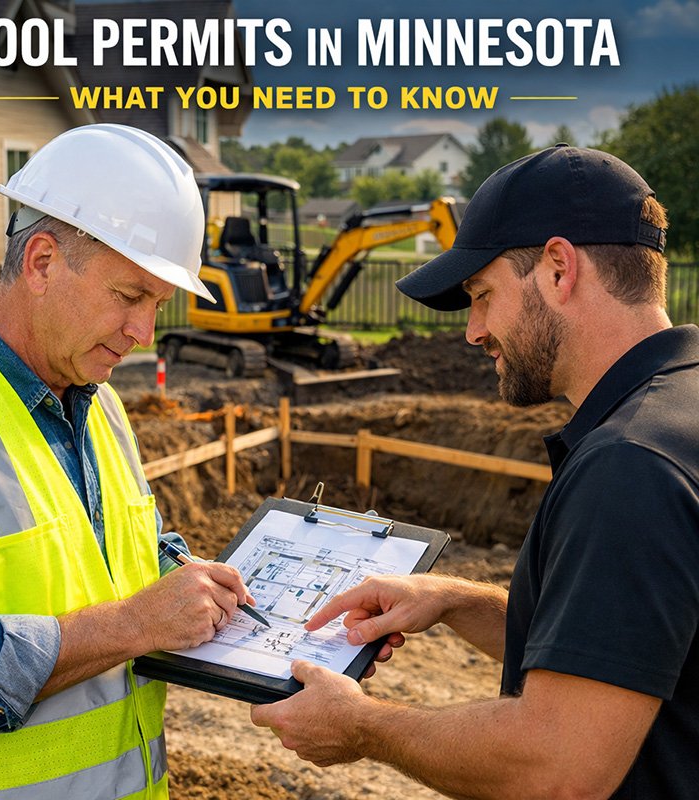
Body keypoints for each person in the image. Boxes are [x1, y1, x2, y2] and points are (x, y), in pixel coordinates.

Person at [251, 144, 699, 799]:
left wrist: (363, 727)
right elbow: (627, 638)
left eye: (483, 295)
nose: (474, 330)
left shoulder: (630, 465)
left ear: (558, 269)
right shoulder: (679, 411)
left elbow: (556, 767)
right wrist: (457, 601)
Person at [0, 124, 254, 799]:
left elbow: (111, 555)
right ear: (41, 263)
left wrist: (186, 579)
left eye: (159, 304)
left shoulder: (99, 402)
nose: (144, 332)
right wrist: (135, 624)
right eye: (130, 296)